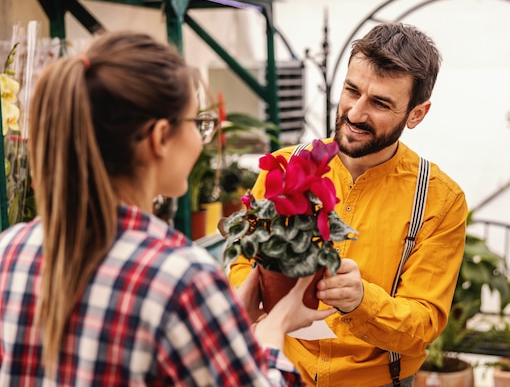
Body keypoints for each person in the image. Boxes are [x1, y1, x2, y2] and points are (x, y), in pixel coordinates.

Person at [0, 31, 335, 386]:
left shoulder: (10, 250)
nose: (201, 137)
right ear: (160, 137)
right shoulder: (180, 277)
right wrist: (275, 325)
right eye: (198, 123)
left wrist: (227, 317)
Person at [228, 22, 468, 387]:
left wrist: (362, 300)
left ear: (416, 114)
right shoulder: (283, 167)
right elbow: (245, 263)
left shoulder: (439, 199)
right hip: (282, 369)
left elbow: (424, 323)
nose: (355, 113)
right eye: (351, 91)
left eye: (380, 103)